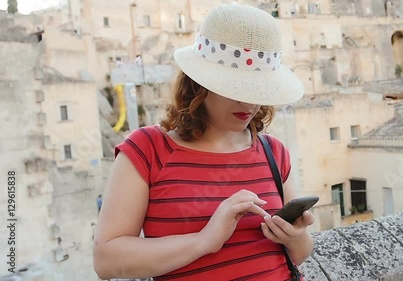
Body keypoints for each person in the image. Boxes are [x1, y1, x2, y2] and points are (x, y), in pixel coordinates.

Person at [93, 3, 314, 281]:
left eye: (258, 89)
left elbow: (301, 254)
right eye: (234, 87)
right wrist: (204, 241)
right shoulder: (147, 149)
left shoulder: (274, 152)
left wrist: (295, 236)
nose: (248, 102)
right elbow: (106, 261)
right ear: (199, 85)